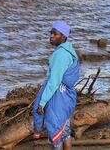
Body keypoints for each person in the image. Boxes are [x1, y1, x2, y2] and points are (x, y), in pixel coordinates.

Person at [33, 21, 79, 150]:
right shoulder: (68, 50)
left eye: (55, 33)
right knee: (65, 130)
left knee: (55, 132)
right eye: (51, 32)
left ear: (63, 37)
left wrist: (42, 102)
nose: (51, 35)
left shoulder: (60, 55)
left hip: (58, 97)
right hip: (67, 95)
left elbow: (54, 82)